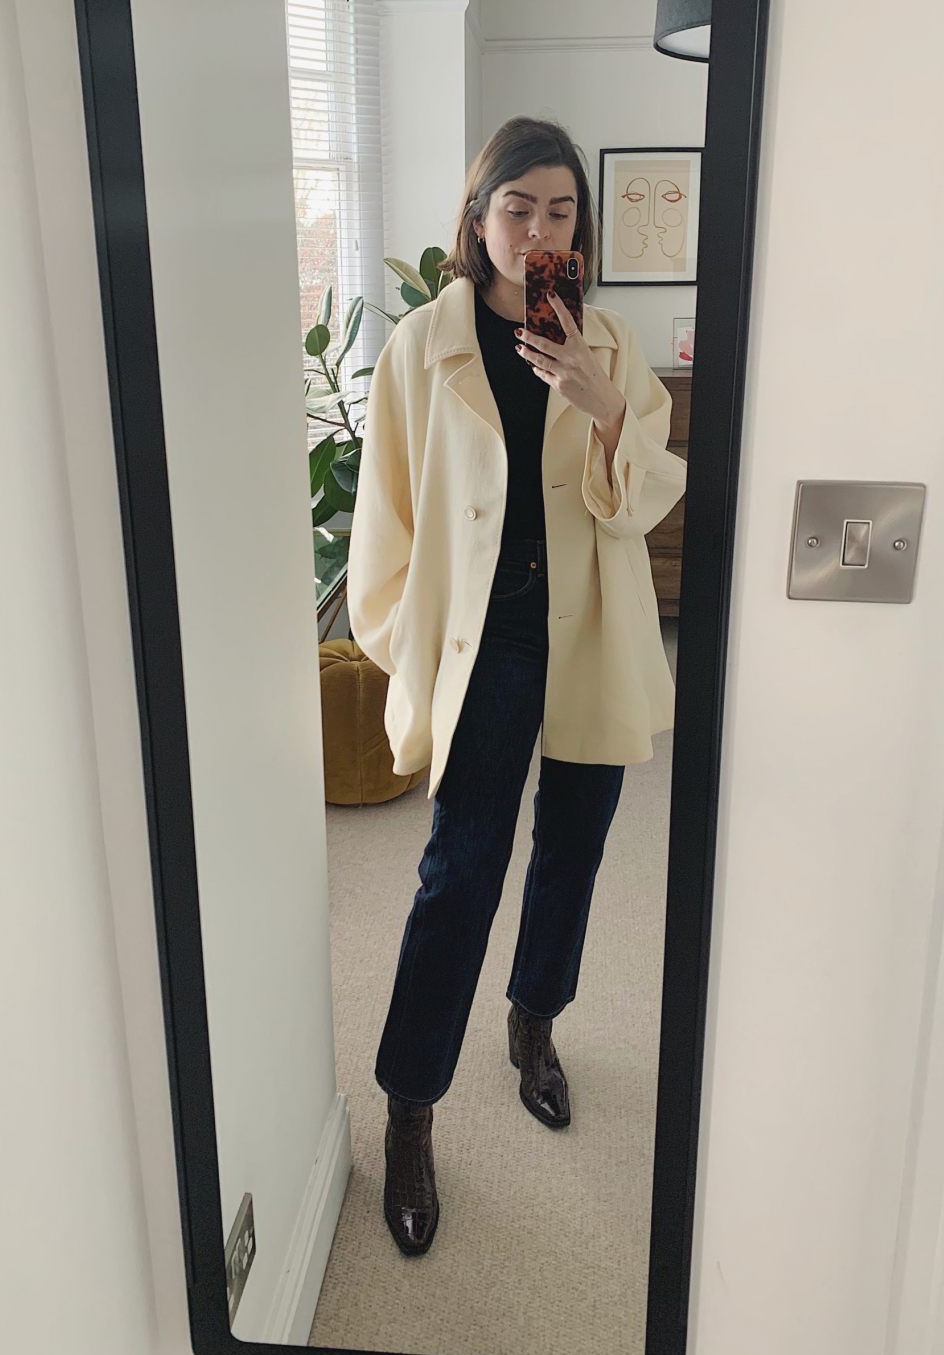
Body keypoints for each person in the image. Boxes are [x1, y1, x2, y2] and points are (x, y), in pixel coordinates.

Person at [347, 116, 687, 1256]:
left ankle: (533, 1022)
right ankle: (410, 1105)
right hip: (481, 640)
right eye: (517, 207)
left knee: (574, 847)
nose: (538, 229)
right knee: (459, 870)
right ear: (478, 215)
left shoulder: (610, 341)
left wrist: (601, 402)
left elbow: (642, 504)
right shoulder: (421, 345)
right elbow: (387, 513)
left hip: (586, 626)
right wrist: (403, 640)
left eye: (559, 210)